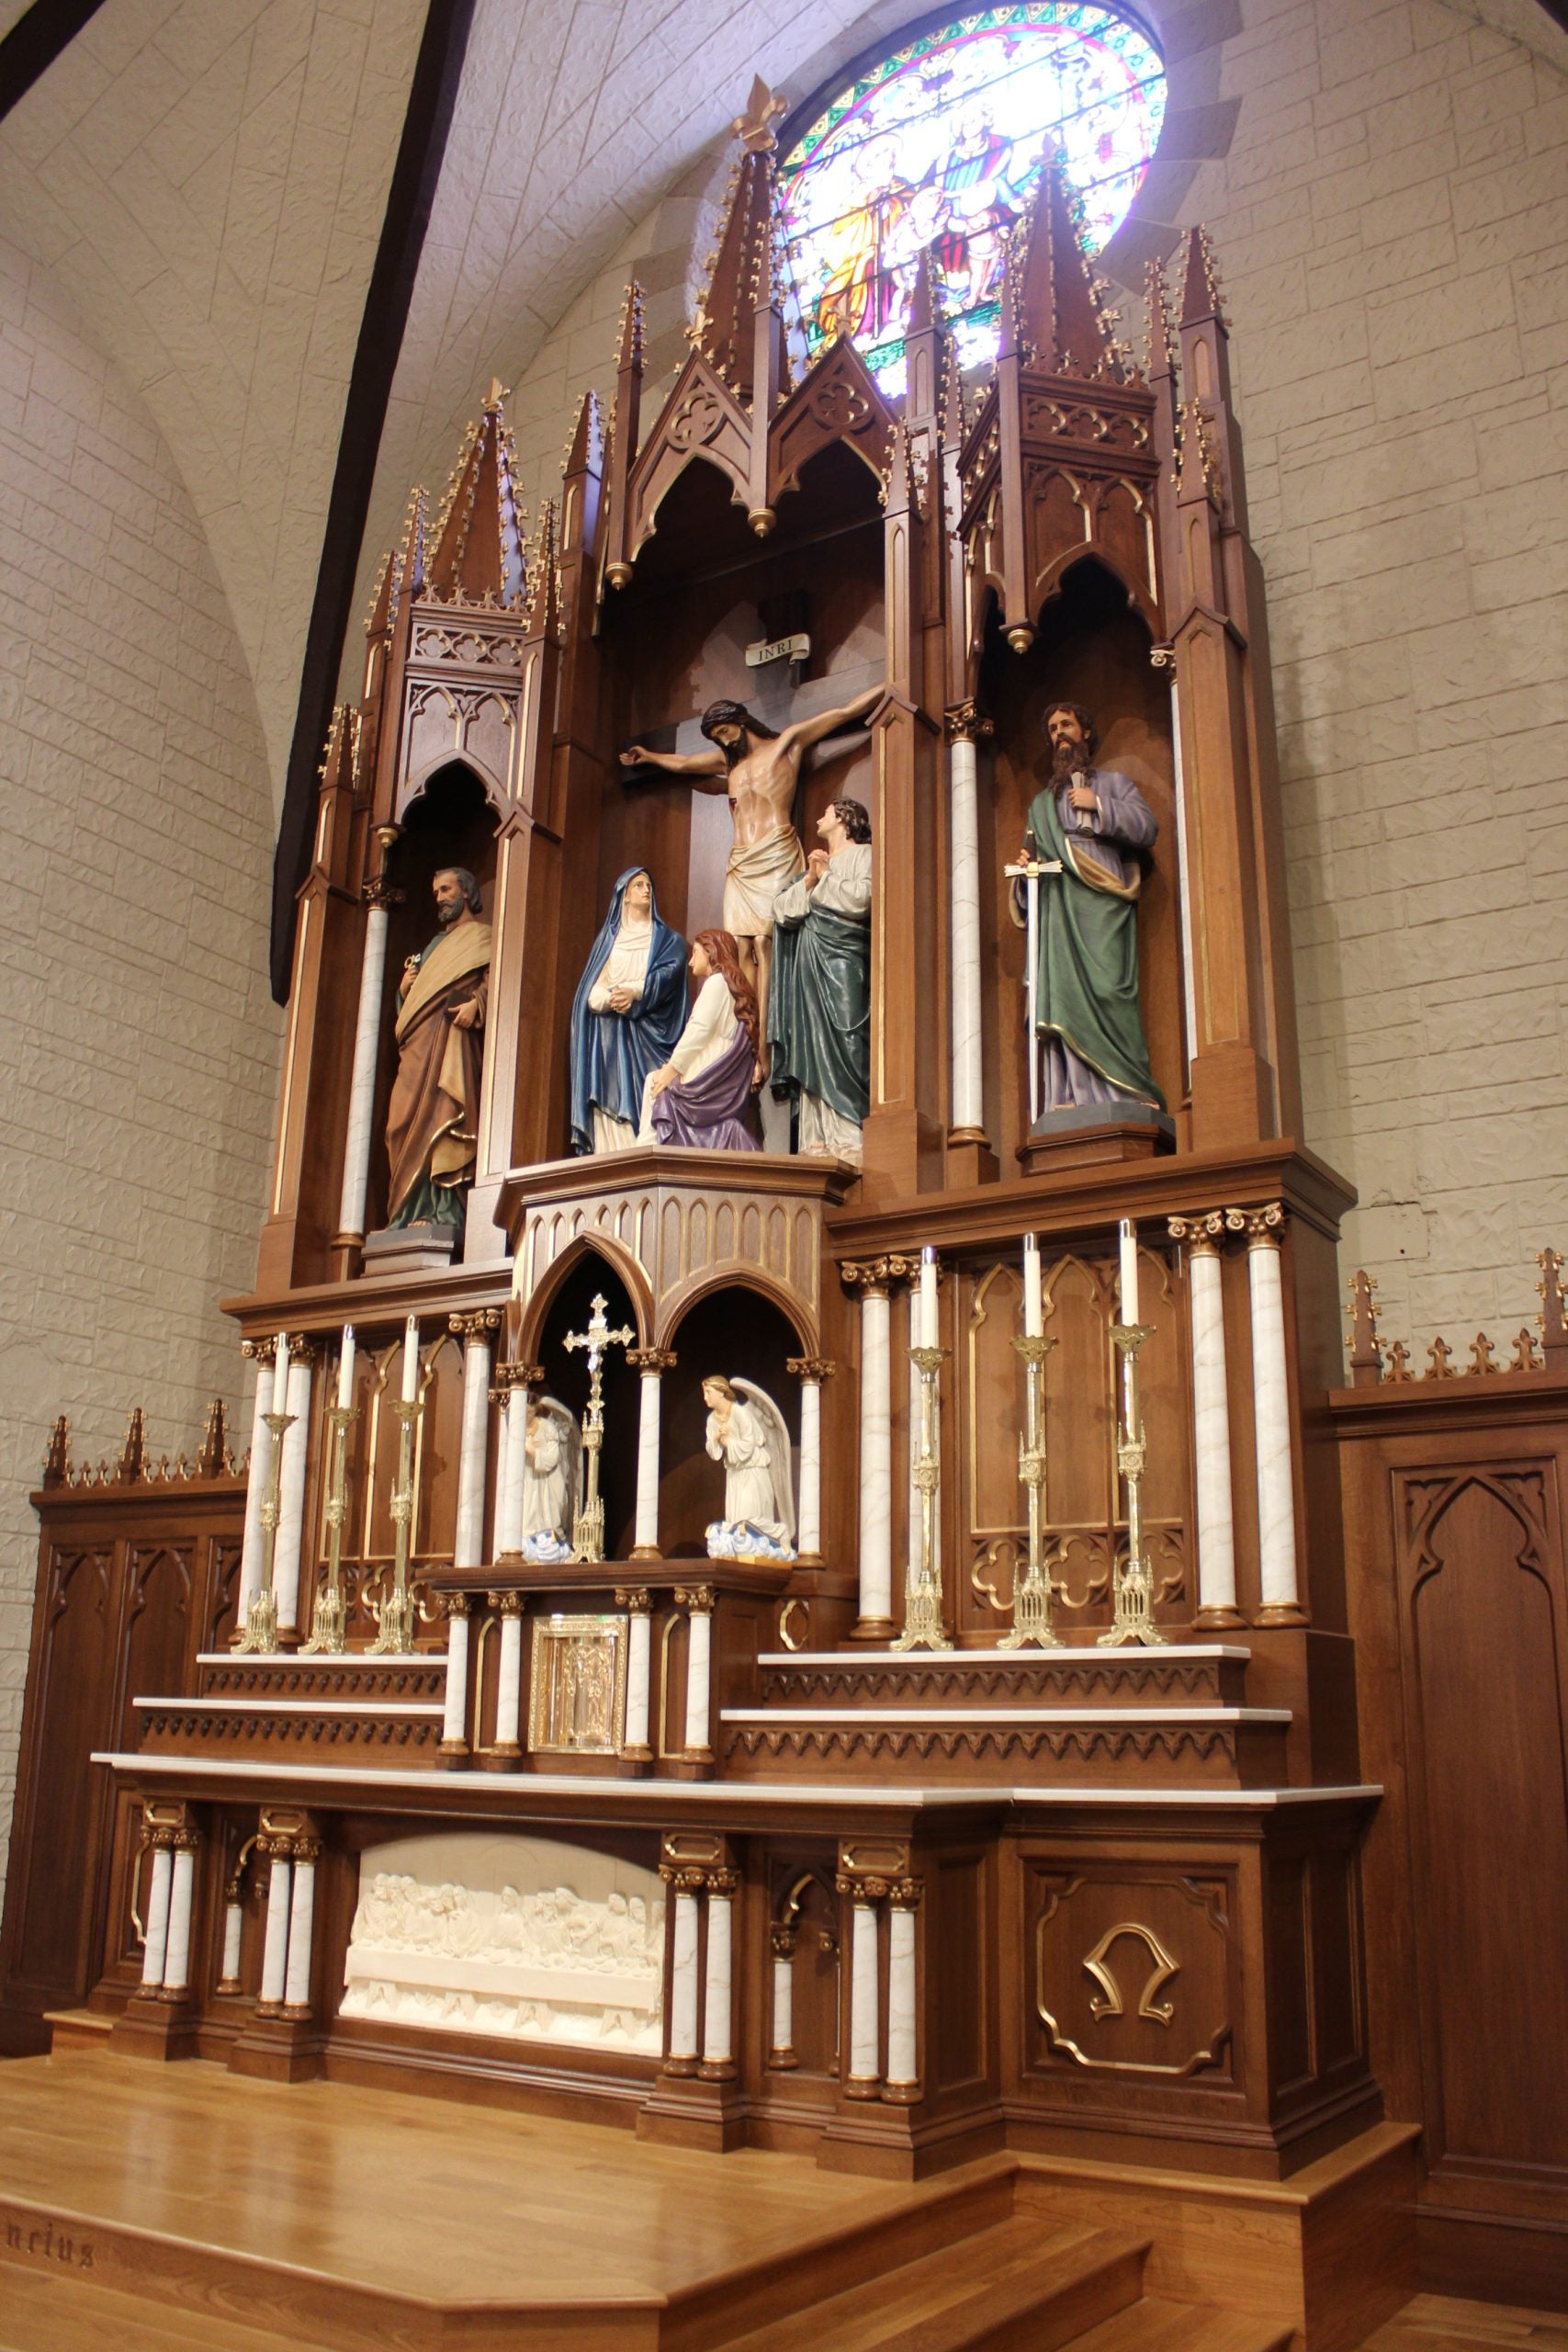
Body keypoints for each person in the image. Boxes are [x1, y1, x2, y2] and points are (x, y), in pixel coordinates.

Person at [619, 687, 880, 1043]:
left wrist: (889, 685)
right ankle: (748, 1038)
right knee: (739, 945)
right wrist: (649, 756)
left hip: (775, 852)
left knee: (766, 942)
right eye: (716, 738)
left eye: (724, 731)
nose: (724, 741)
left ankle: (770, 1040)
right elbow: (683, 764)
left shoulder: (787, 744)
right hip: (741, 862)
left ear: (739, 719)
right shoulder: (729, 766)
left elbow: (842, 710)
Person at [1010, 701, 1164, 1114]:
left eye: (1067, 724)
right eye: (1053, 728)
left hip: (1103, 904)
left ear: (1086, 732)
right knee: (1062, 996)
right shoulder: (1041, 805)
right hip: (1059, 908)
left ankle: (1124, 1092)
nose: (1060, 733)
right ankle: (1070, 1097)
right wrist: (1028, 871)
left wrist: (1098, 805)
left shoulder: (1114, 784)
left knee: (1109, 989)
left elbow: (1147, 827)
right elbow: (1031, 856)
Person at [385, 867, 491, 1235]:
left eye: (446, 889)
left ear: (466, 892)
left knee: (444, 1115)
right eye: (436, 892)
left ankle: (443, 1210)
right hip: (417, 1048)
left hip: (451, 1046)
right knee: (399, 1122)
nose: (440, 897)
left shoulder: (483, 939)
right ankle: (404, 1211)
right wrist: (403, 990)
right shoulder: (431, 948)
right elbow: (408, 1013)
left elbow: (495, 983)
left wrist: (477, 1004)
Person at [769, 797, 873, 1165]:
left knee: (847, 1038)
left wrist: (825, 878)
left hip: (844, 962)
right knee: (811, 1042)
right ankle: (817, 1139)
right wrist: (810, 880)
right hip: (809, 969)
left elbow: (862, 900)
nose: (818, 816)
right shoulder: (808, 870)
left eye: (825, 811)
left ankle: (849, 1134)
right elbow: (781, 912)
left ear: (844, 818)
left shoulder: (864, 856)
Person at [568, 868, 688, 1154]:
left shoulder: (667, 940)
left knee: (656, 1088)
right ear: (624, 896)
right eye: (638, 885)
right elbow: (590, 994)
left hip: (652, 1035)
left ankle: (651, 1149)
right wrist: (612, 999)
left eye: (648, 885)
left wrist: (634, 992)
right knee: (611, 1090)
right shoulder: (609, 941)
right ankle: (614, 1153)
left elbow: (670, 974)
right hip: (611, 1037)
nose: (646, 890)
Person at [638, 929, 761, 1152]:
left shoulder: (716, 983)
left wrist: (673, 1069)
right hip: (722, 1071)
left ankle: (646, 1150)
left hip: (709, 1070)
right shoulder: (732, 987)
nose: (691, 960)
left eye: (695, 953)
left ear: (711, 951)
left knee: (654, 1084)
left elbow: (698, 1032)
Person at [702, 1376, 794, 1546]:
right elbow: (714, 1452)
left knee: (751, 1519)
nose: (705, 1397)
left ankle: (780, 1535)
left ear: (721, 1392)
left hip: (753, 1472)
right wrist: (716, 1439)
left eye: (708, 1392)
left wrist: (729, 1441)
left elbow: (749, 1444)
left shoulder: (740, 1413)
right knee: (736, 1522)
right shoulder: (711, 1420)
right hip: (735, 1474)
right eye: (704, 1393)